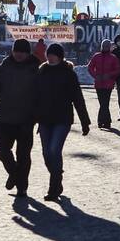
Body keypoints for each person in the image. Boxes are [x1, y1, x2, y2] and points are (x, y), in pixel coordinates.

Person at [34, 43, 91, 201]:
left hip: (62, 119)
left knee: (54, 150)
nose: (49, 56)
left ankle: (54, 187)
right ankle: (57, 175)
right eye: (48, 54)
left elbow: (77, 98)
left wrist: (85, 121)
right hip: (45, 119)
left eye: (52, 54)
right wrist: (33, 116)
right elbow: (35, 96)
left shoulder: (68, 73)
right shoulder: (42, 71)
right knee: (46, 154)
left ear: (59, 56)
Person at [0, 39, 41, 196]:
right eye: (16, 51)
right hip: (5, 118)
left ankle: (22, 187)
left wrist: (39, 117)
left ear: (27, 53)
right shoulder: (4, 67)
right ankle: (16, 175)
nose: (19, 55)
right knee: (2, 149)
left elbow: (42, 95)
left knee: (23, 155)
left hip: (26, 120)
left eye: (22, 52)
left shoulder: (36, 68)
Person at [87, 39, 120, 130]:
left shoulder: (113, 57)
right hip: (98, 84)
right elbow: (90, 67)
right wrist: (95, 76)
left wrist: (109, 75)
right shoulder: (96, 56)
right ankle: (106, 121)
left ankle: (102, 121)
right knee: (103, 103)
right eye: (104, 46)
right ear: (102, 46)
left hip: (108, 84)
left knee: (104, 103)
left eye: (107, 46)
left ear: (109, 47)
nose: (105, 47)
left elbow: (118, 70)